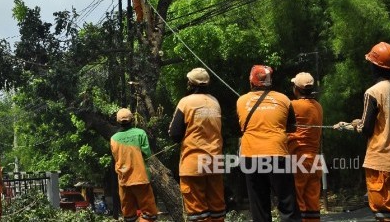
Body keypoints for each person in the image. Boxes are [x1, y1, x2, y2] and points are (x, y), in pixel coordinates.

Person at [334, 42, 390, 222]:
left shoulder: (374, 92)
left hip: (380, 160)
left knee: (383, 212)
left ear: (375, 66)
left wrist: (349, 126)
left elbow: (366, 129)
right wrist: (358, 122)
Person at [236, 65, 301, 222]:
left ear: (251, 81)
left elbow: (241, 126)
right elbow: (292, 126)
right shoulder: (283, 99)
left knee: (259, 204)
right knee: (287, 202)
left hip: (251, 155)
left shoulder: (241, 101)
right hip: (277, 153)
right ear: (270, 81)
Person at [168, 67, 226, 222]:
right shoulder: (215, 102)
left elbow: (174, 134)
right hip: (214, 162)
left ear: (191, 83)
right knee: (217, 210)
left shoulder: (185, 102)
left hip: (193, 163)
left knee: (197, 212)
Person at [110, 108, 158, 222]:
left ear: (117, 121)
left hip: (123, 181)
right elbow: (146, 154)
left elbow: (116, 157)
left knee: (129, 216)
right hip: (140, 179)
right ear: (132, 120)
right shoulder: (140, 133)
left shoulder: (113, 139)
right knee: (149, 214)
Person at [288, 72, 323, 221]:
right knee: (312, 204)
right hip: (315, 160)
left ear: (296, 88)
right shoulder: (318, 106)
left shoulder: (293, 105)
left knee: (298, 202)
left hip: (299, 159)